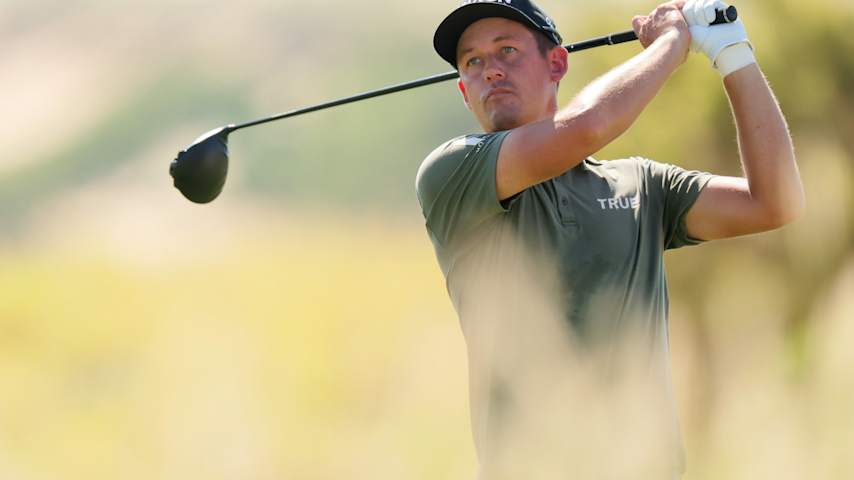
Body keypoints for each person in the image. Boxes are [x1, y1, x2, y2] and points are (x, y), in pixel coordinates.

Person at [415, 0, 804, 478]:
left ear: (556, 63)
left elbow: (776, 202)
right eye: (473, 62)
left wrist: (732, 52)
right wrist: (671, 44)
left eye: (508, 51)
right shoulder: (451, 172)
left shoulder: (642, 185)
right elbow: (586, 127)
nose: (490, 71)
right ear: (463, 90)